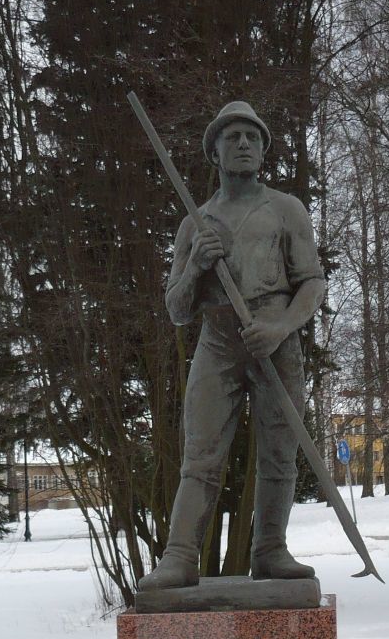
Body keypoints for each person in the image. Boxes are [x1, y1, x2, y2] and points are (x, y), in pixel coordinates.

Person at [139, 101, 327, 591]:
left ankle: (270, 550)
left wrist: (281, 326)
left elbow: (311, 284)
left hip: (274, 340)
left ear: (263, 149)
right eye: (232, 137)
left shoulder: (286, 209)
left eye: (252, 136)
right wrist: (197, 266)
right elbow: (177, 309)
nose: (243, 143)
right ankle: (179, 556)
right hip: (218, 342)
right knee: (200, 455)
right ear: (215, 152)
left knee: (279, 453)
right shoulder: (194, 225)